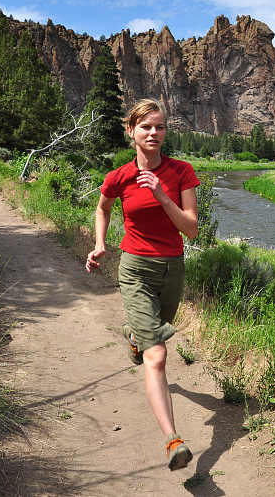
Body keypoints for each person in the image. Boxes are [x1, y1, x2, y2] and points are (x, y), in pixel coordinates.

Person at [86, 99, 199, 471]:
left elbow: (191, 229)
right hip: (135, 268)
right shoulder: (119, 176)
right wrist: (100, 243)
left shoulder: (182, 172)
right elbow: (103, 208)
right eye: (146, 127)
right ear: (131, 131)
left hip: (173, 270)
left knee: (150, 336)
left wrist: (161, 195)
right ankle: (173, 440)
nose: (154, 133)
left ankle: (134, 335)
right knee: (158, 354)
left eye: (160, 127)